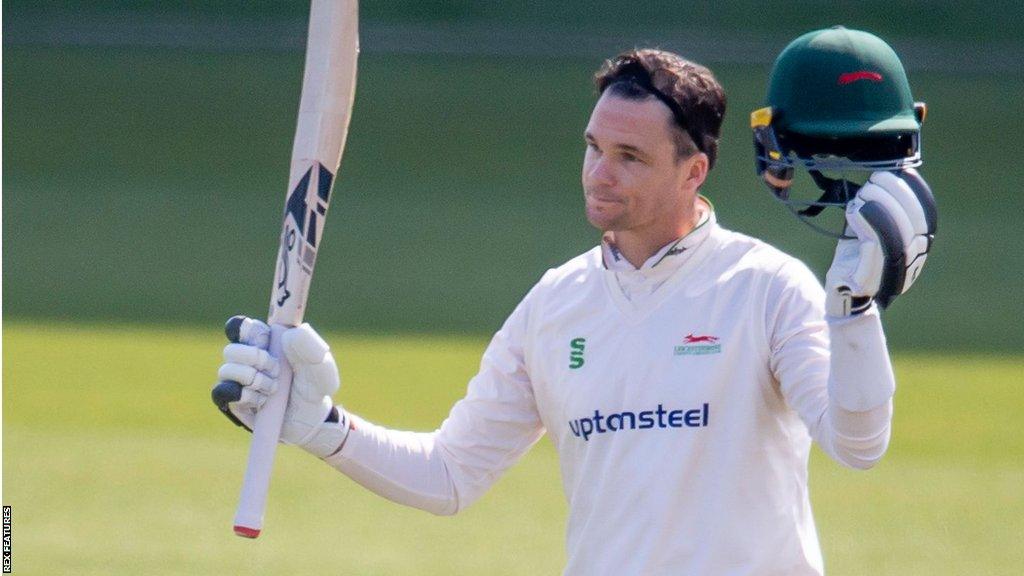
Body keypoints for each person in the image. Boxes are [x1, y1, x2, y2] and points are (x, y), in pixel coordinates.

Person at [213, 28, 935, 575]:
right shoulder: (556, 305)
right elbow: (450, 474)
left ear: (695, 170)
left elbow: (857, 442)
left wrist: (854, 313)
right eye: (594, 147)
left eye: (630, 158)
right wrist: (319, 425)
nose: (599, 173)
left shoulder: (765, 288)